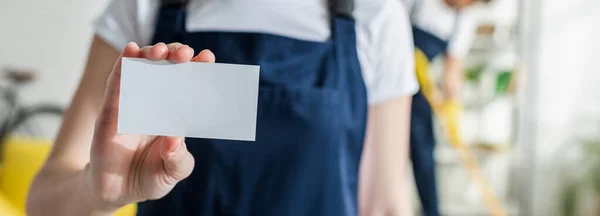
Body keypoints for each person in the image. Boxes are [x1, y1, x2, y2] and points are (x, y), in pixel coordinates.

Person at [27, 0, 420, 215]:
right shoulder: (142, 8)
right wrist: (100, 195)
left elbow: (385, 206)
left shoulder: (375, 15)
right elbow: (42, 204)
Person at [402, 0, 477, 215]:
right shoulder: (420, 3)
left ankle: (431, 211)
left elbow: (452, 71)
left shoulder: (463, 19)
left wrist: (453, 110)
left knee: (424, 154)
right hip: (389, 85)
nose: (468, 5)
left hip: (421, 92)